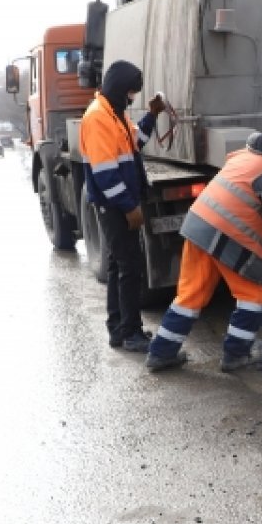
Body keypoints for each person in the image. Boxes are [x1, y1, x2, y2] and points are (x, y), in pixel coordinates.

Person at [144, 114, 262, 373]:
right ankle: (236, 355)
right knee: (254, 293)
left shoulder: (247, 154)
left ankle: (160, 353)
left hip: (198, 225)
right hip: (225, 233)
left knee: (191, 293)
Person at [78, 60, 165, 352]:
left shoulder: (113, 113)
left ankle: (118, 329)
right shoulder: (98, 118)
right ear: (119, 90)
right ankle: (131, 332)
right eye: (131, 93)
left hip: (115, 203)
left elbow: (134, 142)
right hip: (113, 205)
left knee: (118, 265)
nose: (133, 98)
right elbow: (105, 174)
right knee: (130, 267)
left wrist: (152, 115)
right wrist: (129, 207)